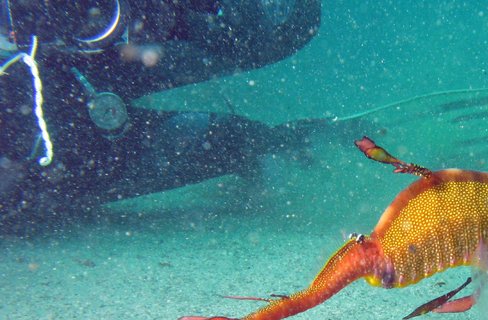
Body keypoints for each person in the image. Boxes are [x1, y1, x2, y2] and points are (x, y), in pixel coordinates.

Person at [0, 0, 321, 233]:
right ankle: (281, 145)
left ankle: (278, 145)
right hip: (62, 145)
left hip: (72, 84)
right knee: (227, 136)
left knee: (257, 47)